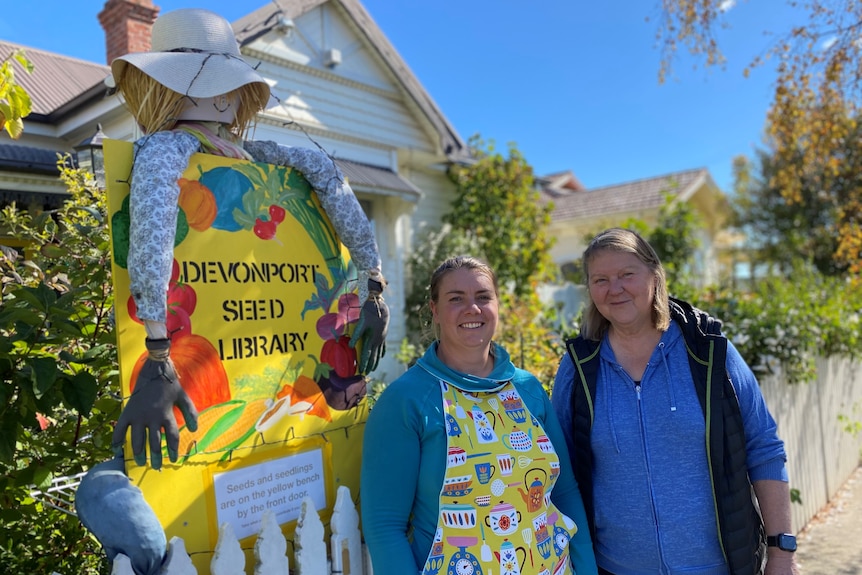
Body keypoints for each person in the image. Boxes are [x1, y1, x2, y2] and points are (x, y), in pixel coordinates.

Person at [105, 8, 389, 470]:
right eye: (210, 85)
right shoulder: (166, 150)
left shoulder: (257, 157)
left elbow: (325, 174)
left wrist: (372, 282)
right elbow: (153, 227)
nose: (221, 98)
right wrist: (157, 349)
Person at [551, 228, 799, 575]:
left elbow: (764, 448)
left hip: (719, 567)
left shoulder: (708, 353)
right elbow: (557, 470)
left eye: (627, 274)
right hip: (616, 568)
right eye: (601, 279)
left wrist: (782, 553)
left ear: (654, 275)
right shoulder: (578, 368)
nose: (615, 288)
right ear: (590, 290)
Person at [361, 255, 597, 575]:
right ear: (435, 310)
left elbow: (565, 491)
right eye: (456, 299)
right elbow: (384, 526)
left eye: (483, 297)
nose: (472, 309)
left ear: (497, 305)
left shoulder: (527, 388)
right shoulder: (406, 401)